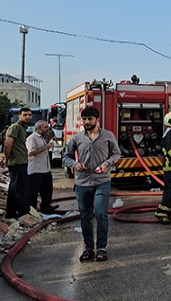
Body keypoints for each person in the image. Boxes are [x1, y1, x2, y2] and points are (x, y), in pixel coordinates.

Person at [62, 107, 120, 263]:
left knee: (101, 214)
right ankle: (89, 248)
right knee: (85, 216)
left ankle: (101, 248)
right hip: (82, 183)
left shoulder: (108, 136)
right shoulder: (77, 138)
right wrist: (74, 164)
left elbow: (116, 153)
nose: (87, 122)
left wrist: (107, 164)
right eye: (85, 119)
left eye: (90, 119)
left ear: (97, 119)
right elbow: (65, 157)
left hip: (102, 182)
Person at [0, 107, 32, 219]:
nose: (27, 117)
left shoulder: (22, 128)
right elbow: (8, 144)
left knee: (14, 189)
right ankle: (23, 213)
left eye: (29, 115)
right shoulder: (15, 127)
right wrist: (6, 159)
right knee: (21, 189)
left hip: (20, 162)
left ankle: (11, 213)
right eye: (25, 115)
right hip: (17, 163)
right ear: (19, 116)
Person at [26, 121, 57, 214]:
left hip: (45, 169)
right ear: (38, 128)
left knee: (47, 191)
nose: (47, 129)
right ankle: (32, 211)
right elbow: (31, 153)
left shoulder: (42, 138)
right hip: (36, 170)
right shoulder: (32, 138)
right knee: (33, 192)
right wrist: (46, 147)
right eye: (45, 127)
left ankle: (46, 208)